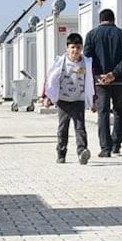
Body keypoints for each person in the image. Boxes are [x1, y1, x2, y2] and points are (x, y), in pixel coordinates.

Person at [83, 9, 122, 157]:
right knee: (119, 112)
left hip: (101, 82)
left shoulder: (92, 35)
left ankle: (105, 148)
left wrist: (97, 75)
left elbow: (87, 58)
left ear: (100, 20)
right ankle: (116, 145)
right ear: (113, 19)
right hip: (119, 80)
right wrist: (114, 74)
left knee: (103, 113)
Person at [42, 33, 96, 164]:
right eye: (72, 47)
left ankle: (82, 152)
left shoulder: (86, 63)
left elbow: (91, 82)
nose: (75, 51)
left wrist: (94, 100)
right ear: (67, 48)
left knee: (80, 128)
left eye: (78, 47)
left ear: (81, 48)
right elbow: (50, 80)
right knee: (63, 128)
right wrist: (46, 96)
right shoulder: (61, 62)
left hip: (78, 100)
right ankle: (61, 153)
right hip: (63, 101)